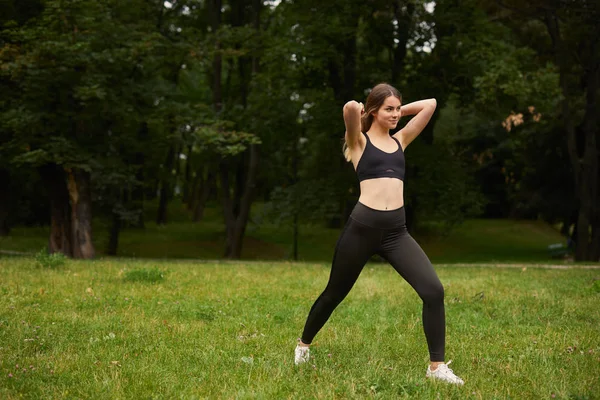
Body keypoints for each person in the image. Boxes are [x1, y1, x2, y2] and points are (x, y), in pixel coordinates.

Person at [293, 83, 464, 385]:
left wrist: (396, 107)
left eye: (398, 109)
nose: (397, 114)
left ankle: (436, 367)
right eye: (390, 109)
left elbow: (431, 104)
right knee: (334, 293)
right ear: (373, 111)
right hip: (361, 231)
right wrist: (365, 111)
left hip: (396, 233)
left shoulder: (401, 140)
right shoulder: (357, 141)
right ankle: (303, 345)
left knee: (433, 291)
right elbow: (348, 107)